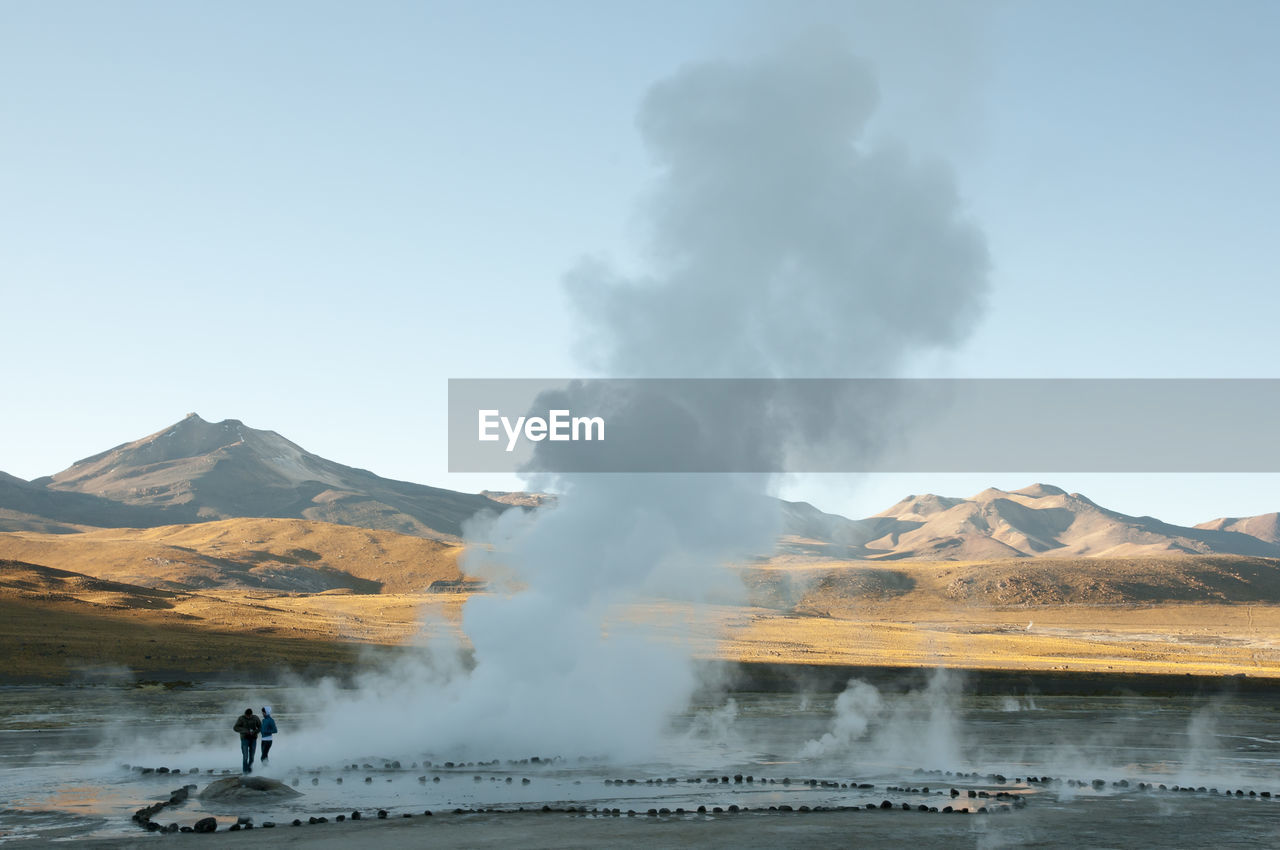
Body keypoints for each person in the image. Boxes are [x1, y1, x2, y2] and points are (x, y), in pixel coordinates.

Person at [232, 708, 261, 773]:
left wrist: (254, 732)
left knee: (252, 757)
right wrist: (245, 731)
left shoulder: (255, 718)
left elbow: (261, 727)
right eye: (246, 716)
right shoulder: (241, 718)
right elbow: (235, 728)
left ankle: (250, 772)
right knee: (245, 757)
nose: (248, 717)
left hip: (253, 739)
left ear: (251, 714)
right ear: (245, 714)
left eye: (249, 716)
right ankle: (245, 773)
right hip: (244, 739)